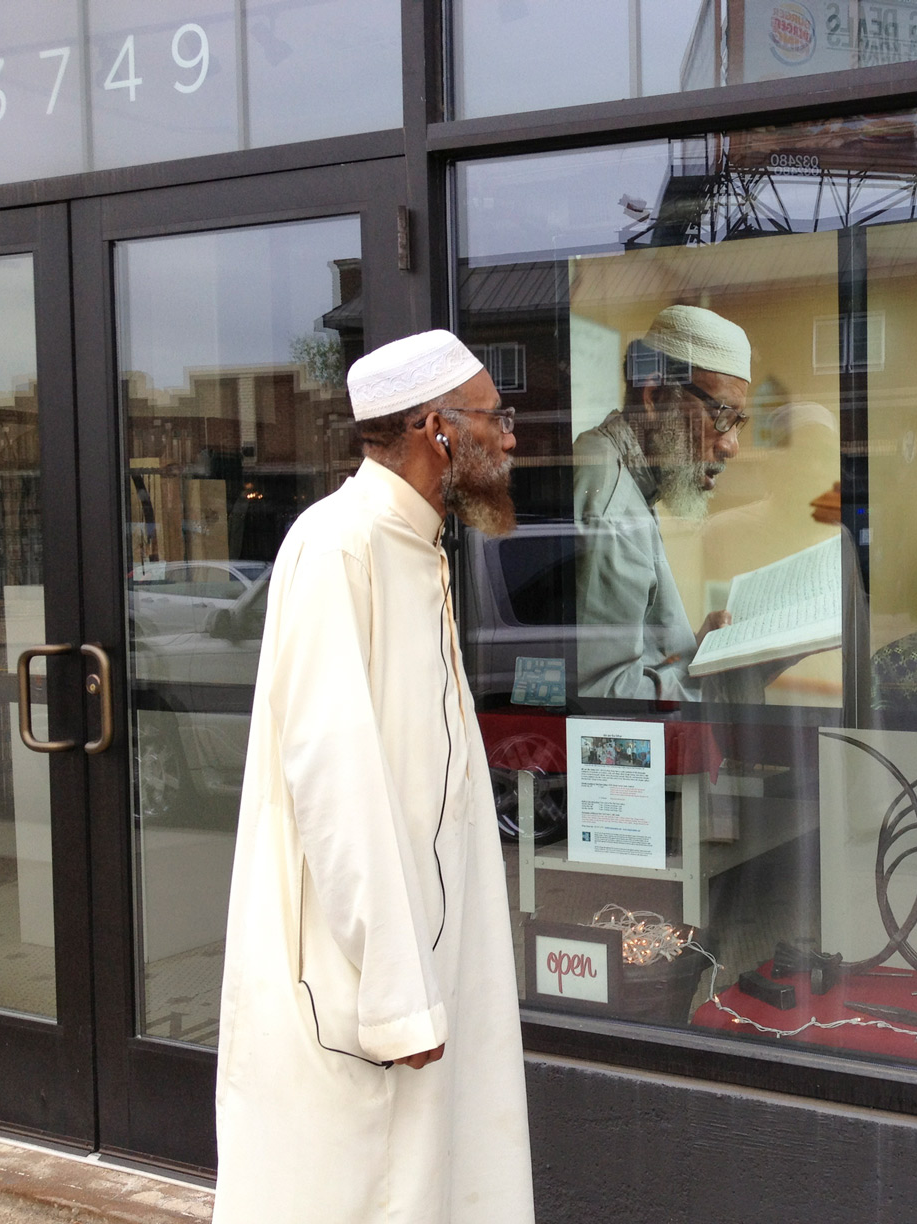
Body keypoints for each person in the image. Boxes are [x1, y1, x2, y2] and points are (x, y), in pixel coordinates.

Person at [213, 330, 533, 1223]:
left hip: (423, 958)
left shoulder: (415, 545)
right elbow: (337, 781)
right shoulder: (337, 546)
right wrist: (395, 997)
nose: (509, 438)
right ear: (437, 429)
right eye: (493, 417)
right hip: (362, 979)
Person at [573, 304, 751, 700]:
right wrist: (714, 680)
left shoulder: (622, 472)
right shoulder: (612, 509)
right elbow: (600, 695)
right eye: (721, 415)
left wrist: (696, 647)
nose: (731, 446)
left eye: (738, 423)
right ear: (654, 395)